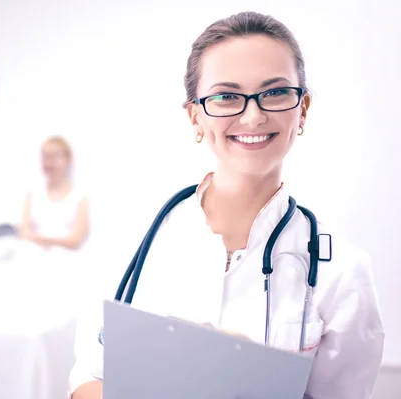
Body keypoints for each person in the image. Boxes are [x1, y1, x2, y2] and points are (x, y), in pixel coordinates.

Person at [68, 11, 384, 399]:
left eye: (275, 92)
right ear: (195, 116)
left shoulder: (342, 272)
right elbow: (87, 377)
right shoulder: (134, 239)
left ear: (302, 109)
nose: (253, 115)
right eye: (226, 96)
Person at [18, 136, 90, 251]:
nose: (49, 162)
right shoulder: (33, 195)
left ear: (68, 159)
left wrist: (41, 240)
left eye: (55, 156)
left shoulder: (80, 198)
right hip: (31, 257)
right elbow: (24, 231)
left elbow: (75, 240)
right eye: (45, 156)